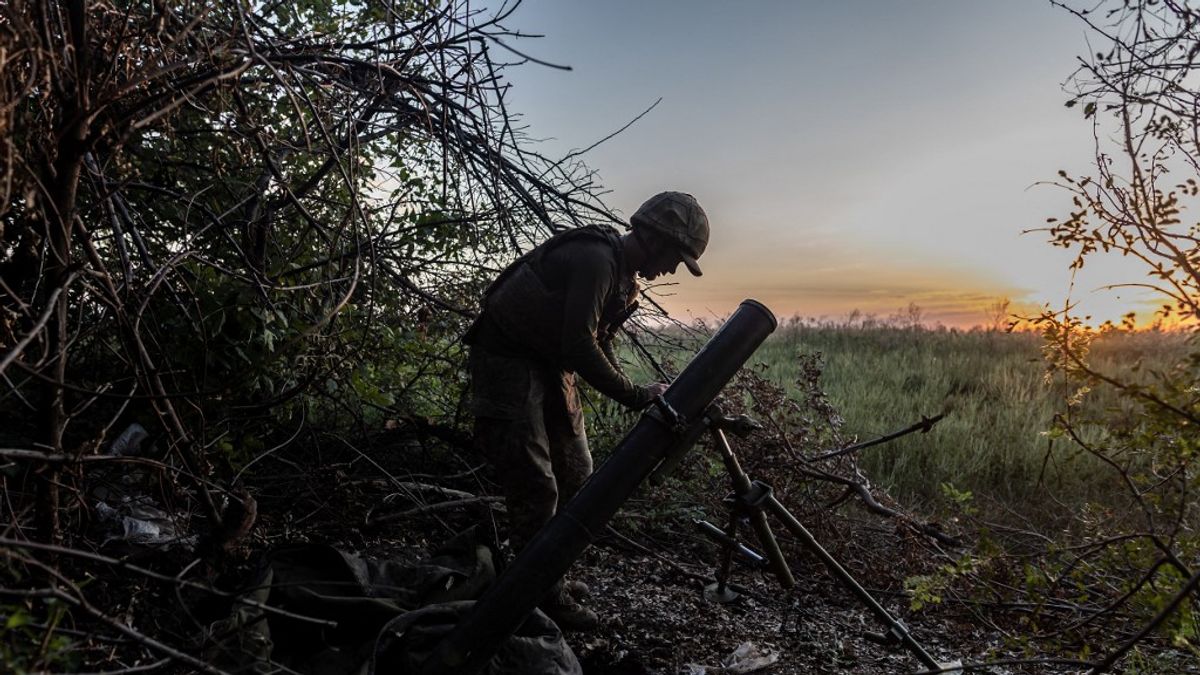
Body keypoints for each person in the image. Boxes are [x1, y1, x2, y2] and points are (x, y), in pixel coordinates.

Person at [463, 191, 709, 631]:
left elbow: (599, 340)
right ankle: (533, 596)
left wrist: (640, 390)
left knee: (578, 475)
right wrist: (635, 395)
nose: (673, 269)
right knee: (536, 486)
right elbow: (579, 344)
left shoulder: (625, 279)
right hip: (508, 359)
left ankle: (546, 573)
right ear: (655, 238)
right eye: (676, 257)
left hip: (550, 365)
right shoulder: (595, 260)